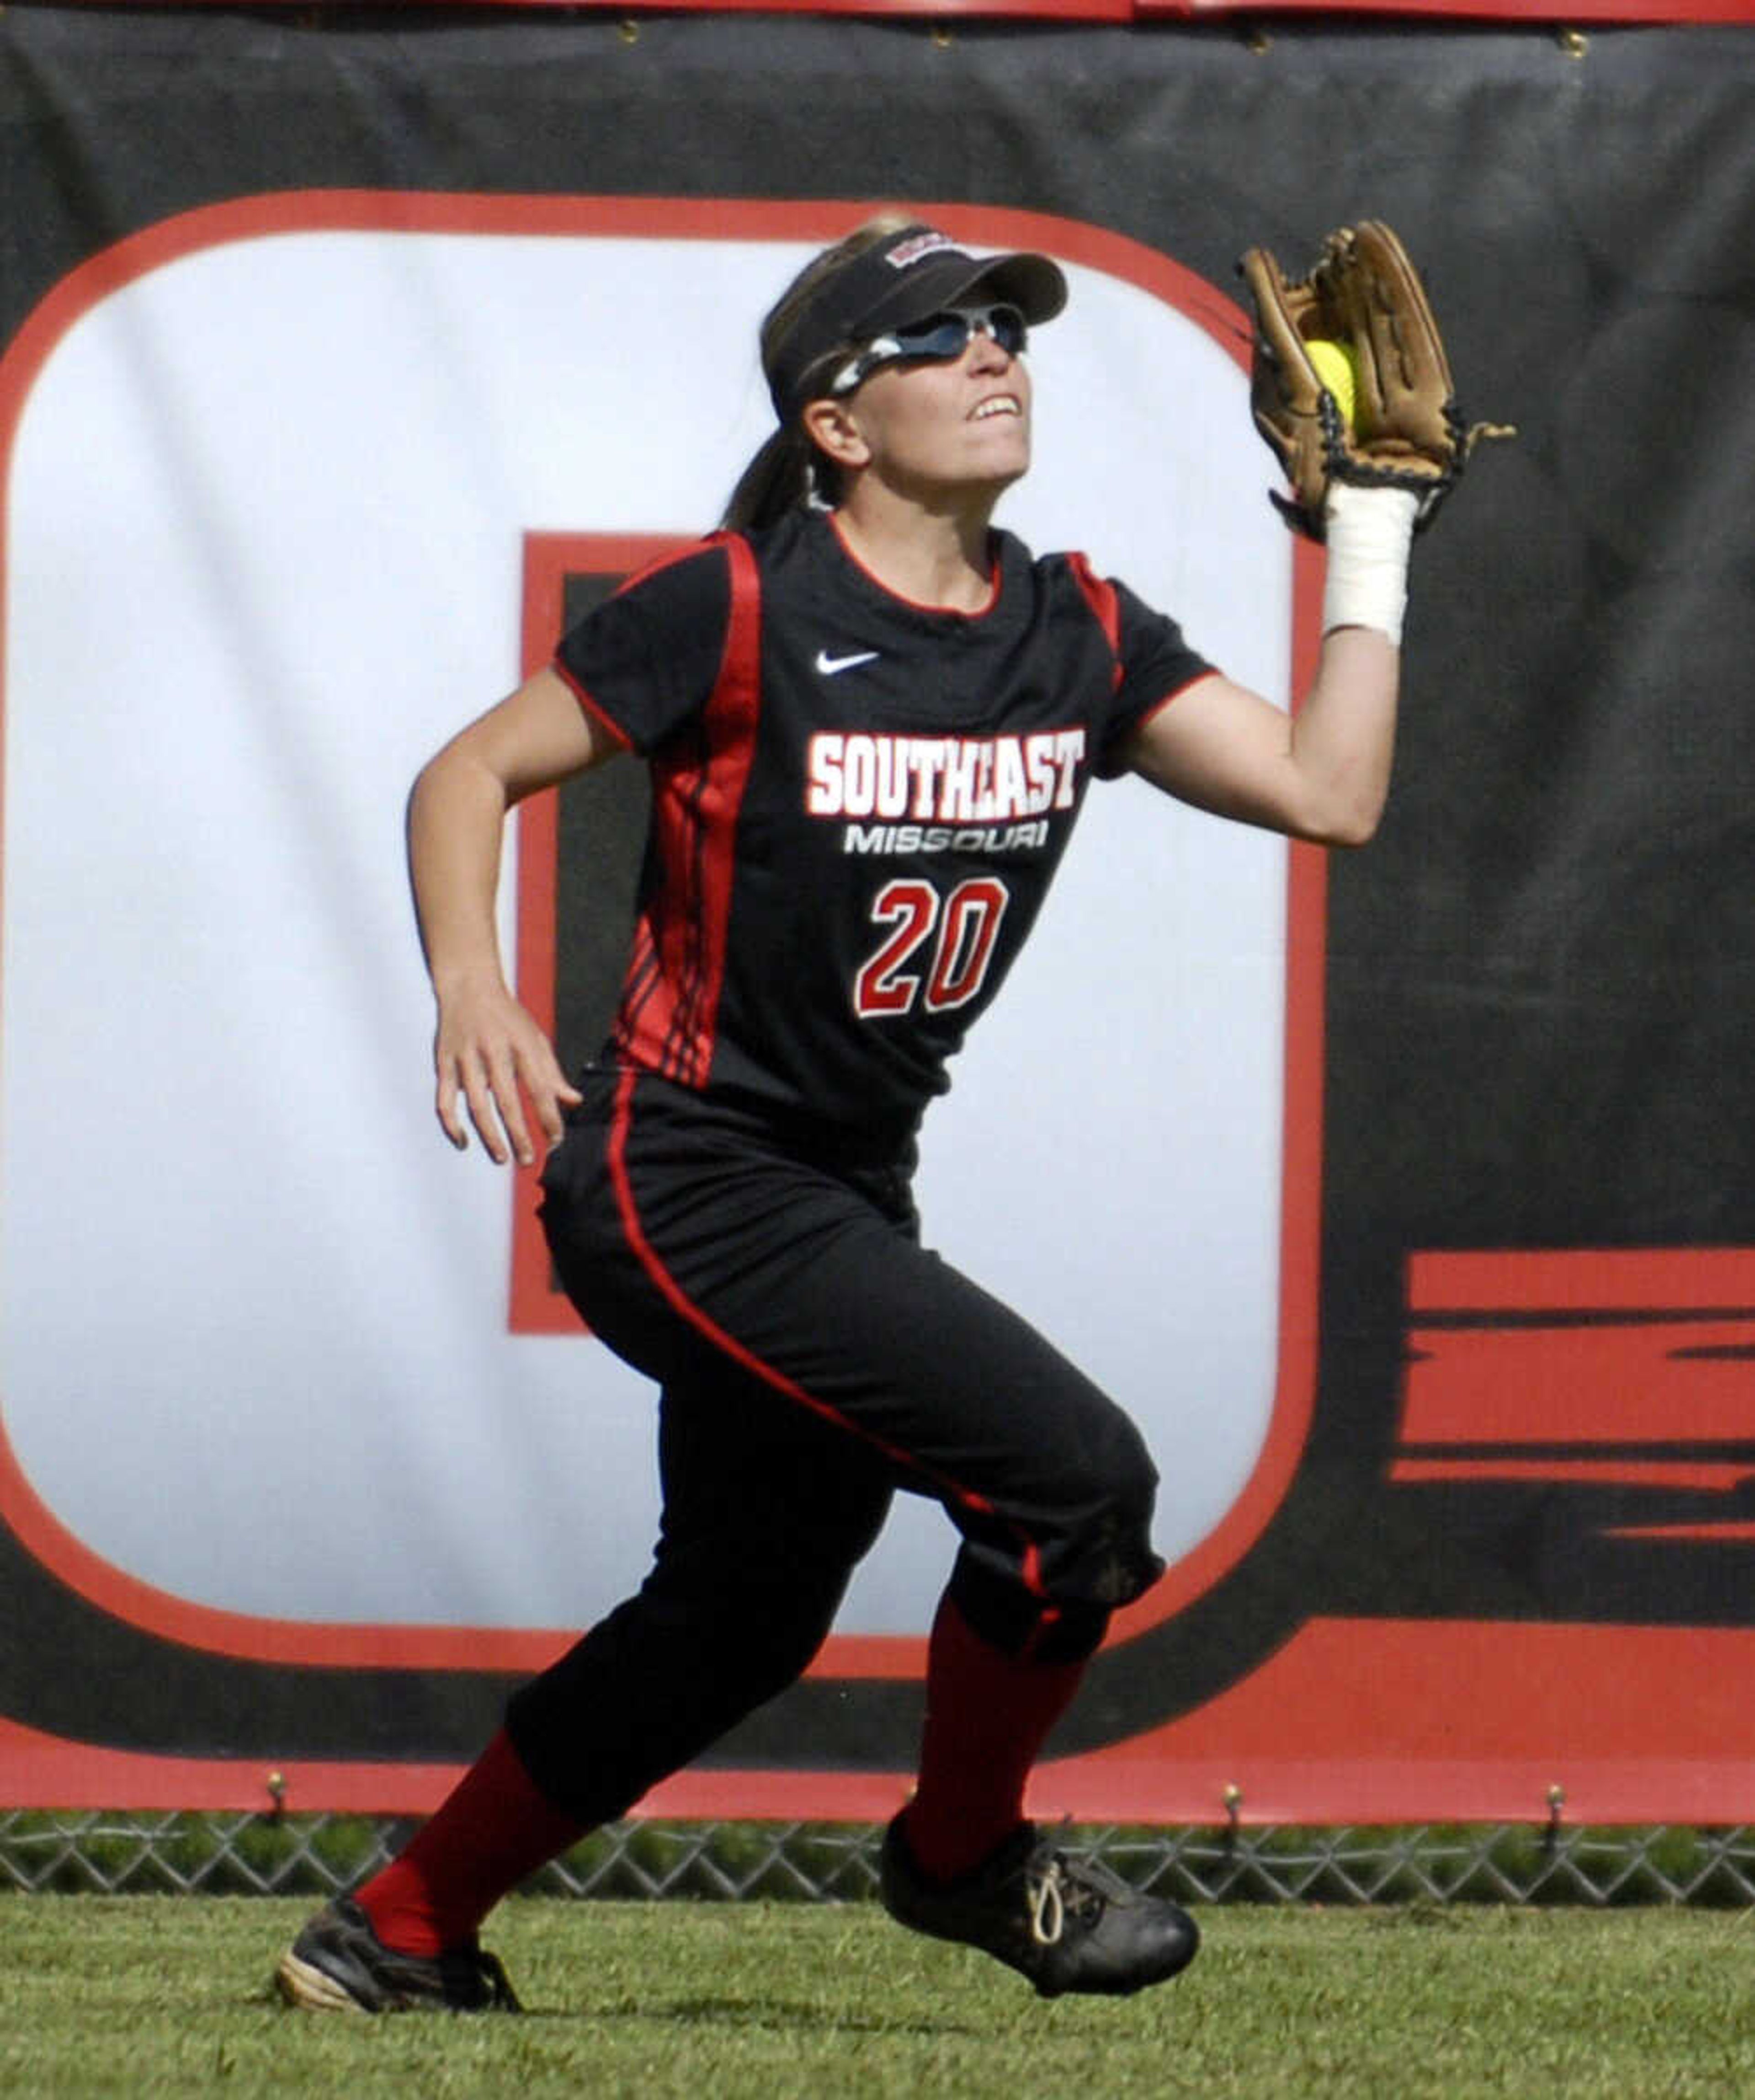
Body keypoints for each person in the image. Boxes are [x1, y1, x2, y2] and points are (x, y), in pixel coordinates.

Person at [276, 213, 1416, 2014]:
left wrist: (1371, 532)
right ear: (838, 423)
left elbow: (1329, 791)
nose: (994, 355)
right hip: (682, 1170)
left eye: (1005, 330)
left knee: (739, 1615)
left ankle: (399, 1931)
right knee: (1072, 1483)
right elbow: (465, 772)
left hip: (840, 1188)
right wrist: (475, 987)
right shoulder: (739, 605)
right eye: (939, 337)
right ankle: (963, 1858)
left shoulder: (1078, 630)